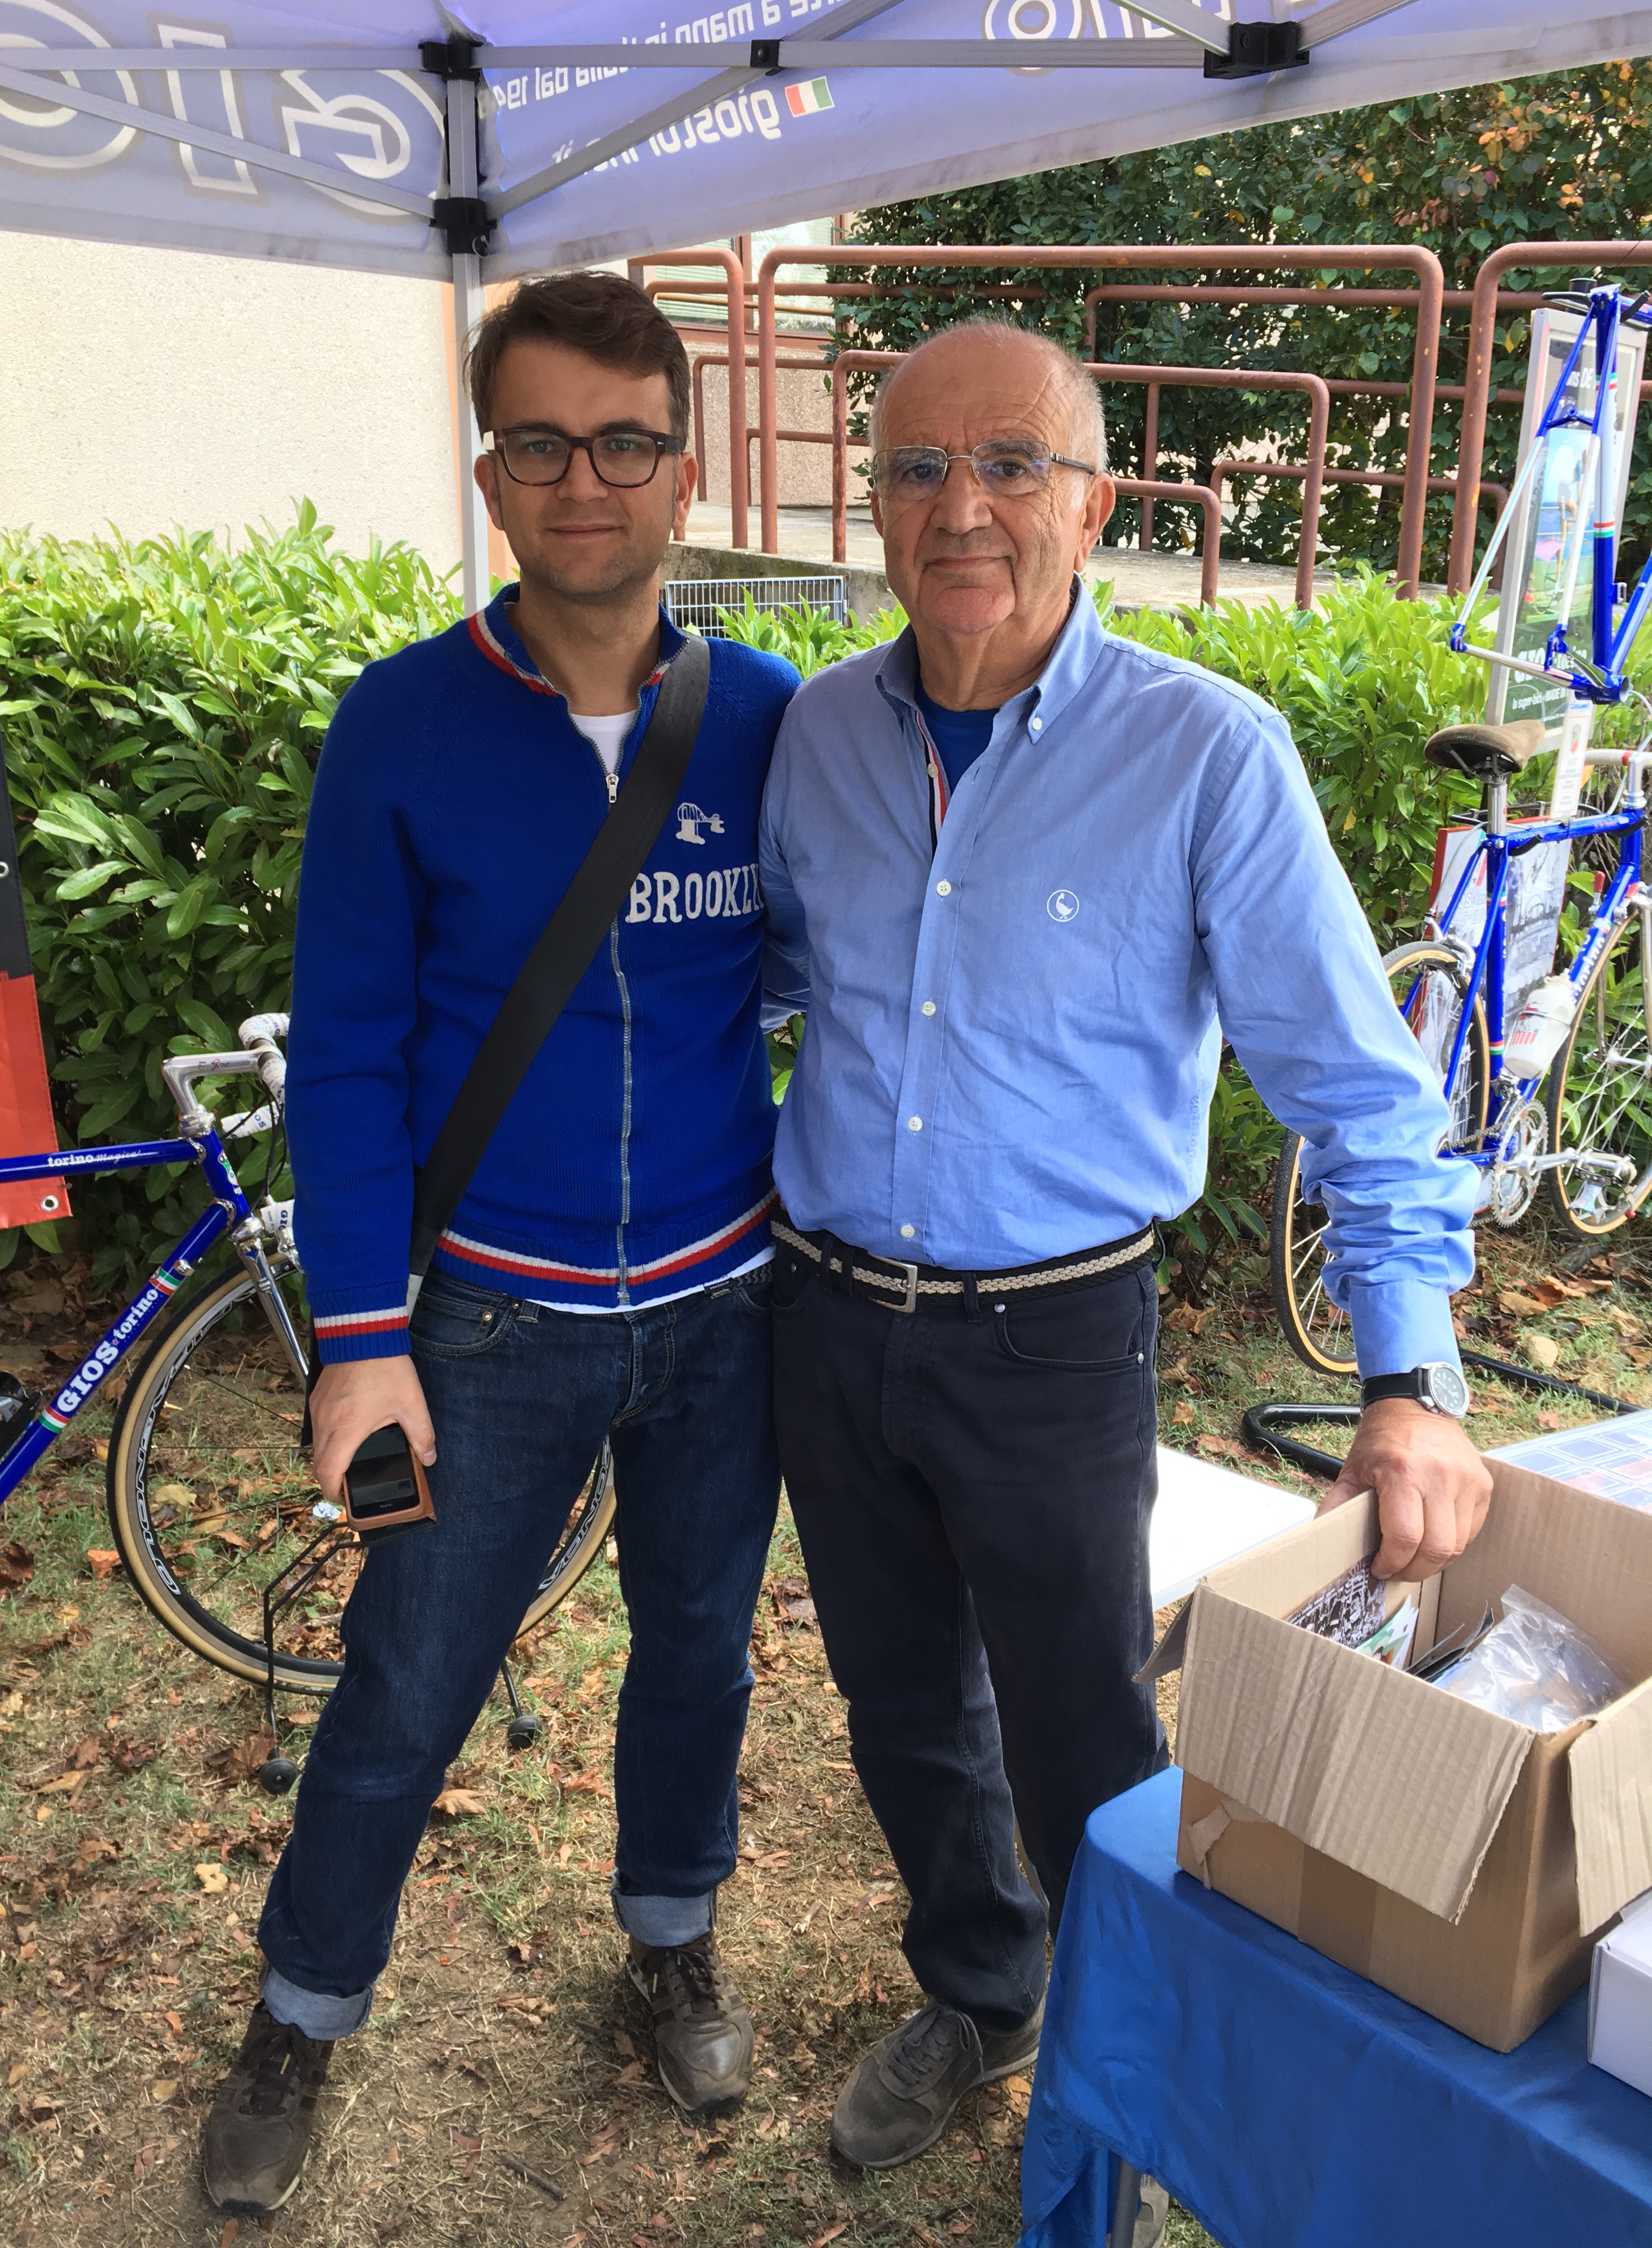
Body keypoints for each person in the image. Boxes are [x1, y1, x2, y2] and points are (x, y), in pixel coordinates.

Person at [757, 319, 1492, 2209]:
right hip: (824, 1321)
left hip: (1054, 1342)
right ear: (874, 511)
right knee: (899, 1704)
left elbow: (1361, 1088)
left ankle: (1127, 2073)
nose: (962, 509)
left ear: (1091, 505)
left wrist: (1410, 1383)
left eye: (1012, 465)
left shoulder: (1203, 755)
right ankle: (983, 1987)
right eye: (918, 469)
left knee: (1085, 1729)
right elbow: (765, 985)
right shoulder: (815, 738)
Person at [201, 272, 799, 2215]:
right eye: (541, 442)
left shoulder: (770, 723)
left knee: (698, 1652)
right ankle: (301, 2013)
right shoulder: (402, 723)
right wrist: (361, 1337)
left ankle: (671, 1935)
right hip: (491, 1323)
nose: (584, 480)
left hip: (726, 1303)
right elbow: (349, 1056)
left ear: (686, 472)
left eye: (626, 443)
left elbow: (846, 978)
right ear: (492, 474)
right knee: (407, 1682)